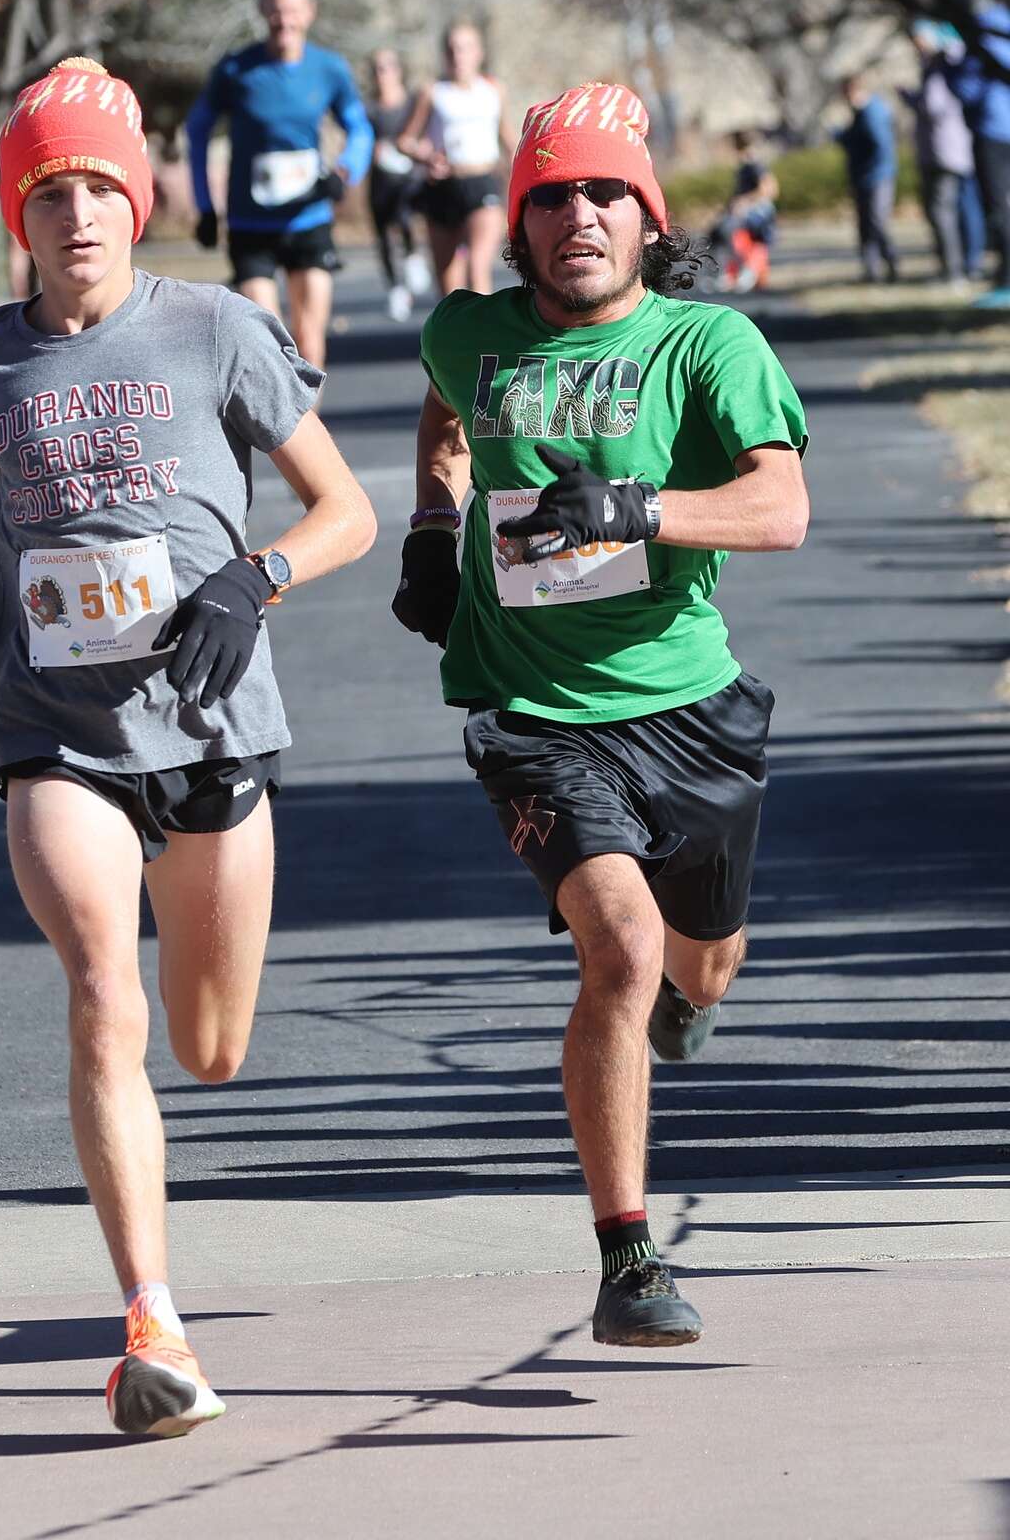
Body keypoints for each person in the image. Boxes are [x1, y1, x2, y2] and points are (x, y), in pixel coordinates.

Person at [0, 57, 376, 1436]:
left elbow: (347, 511)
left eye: (101, 188)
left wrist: (254, 581)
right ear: (22, 211)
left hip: (205, 732)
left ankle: (154, 1275)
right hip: (50, 733)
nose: (78, 213)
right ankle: (152, 1324)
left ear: (138, 202)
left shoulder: (215, 332)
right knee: (98, 999)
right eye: (51, 190)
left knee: (209, 1048)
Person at [390, 81, 808, 1346]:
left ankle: (695, 995)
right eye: (552, 196)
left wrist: (636, 510)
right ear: (519, 224)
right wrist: (427, 526)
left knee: (700, 956)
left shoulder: (707, 346)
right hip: (529, 709)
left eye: (606, 193)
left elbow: (779, 509)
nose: (579, 215)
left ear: (646, 217)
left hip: (688, 704)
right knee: (616, 947)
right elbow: (444, 413)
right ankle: (628, 1259)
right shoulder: (472, 334)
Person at [185, 0, 374, 369]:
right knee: (268, 340)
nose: (283, 21)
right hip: (251, 224)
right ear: (261, 11)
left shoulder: (329, 68)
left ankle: (306, 430)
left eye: (292, 11)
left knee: (309, 337)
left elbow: (359, 128)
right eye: (274, 11)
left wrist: (343, 173)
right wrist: (205, 206)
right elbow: (198, 129)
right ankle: (276, 431)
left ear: (309, 13)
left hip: (309, 219)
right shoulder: (236, 70)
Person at [397, 19, 517, 296]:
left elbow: (508, 138)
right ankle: (454, 338)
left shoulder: (493, 90)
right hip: (444, 186)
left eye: (464, 48)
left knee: (477, 265)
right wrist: (425, 157)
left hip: (483, 181)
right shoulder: (432, 92)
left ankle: (486, 339)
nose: (457, 56)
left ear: (479, 53)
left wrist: (526, 171)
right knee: (449, 283)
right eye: (451, 49)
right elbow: (404, 141)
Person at [903, 22, 980, 284]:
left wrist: (911, 99)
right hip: (947, 150)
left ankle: (955, 270)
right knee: (956, 208)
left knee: (942, 211)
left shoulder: (941, 65)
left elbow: (934, 105)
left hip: (944, 151)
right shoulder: (942, 64)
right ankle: (960, 266)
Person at [948, 0, 1010, 306]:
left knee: (998, 206)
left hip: (993, 129)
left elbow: (967, 86)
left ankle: (1007, 277)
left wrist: (948, 68)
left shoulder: (983, 28)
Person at [366, 47, 429, 321]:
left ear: (398, 70)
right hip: (381, 178)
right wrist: (372, 150)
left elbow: (425, 131)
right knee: (382, 232)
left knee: (404, 215)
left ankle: (414, 254)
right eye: (377, 69)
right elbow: (358, 138)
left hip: (409, 175)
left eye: (387, 67)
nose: (382, 75)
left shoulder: (412, 103)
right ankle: (395, 288)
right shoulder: (369, 108)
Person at [833, 75, 900, 283]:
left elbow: (880, 147)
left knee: (876, 221)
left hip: (877, 176)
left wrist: (870, 169)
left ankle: (891, 261)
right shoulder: (860, 113)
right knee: (865, 225)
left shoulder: (872, 113)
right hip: (864, 177)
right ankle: (871, 270)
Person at [709, 130, 778, 292]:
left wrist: (744, 201)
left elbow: (769, 189)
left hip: (757, 212)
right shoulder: (743, 167)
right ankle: (730, 273)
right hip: (744, 211)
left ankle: (746, 272)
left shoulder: (754, 165)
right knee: (719, 232)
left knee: (729, 230)